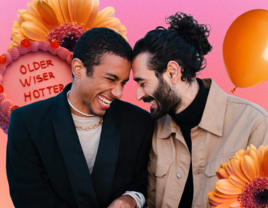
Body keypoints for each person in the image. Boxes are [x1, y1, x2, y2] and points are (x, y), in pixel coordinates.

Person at [132, 12, 268, 208]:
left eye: (143, 83)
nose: (137, 95)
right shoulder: (155, 128)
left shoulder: (254, 124)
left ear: (172, 72)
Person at [6, 28, 153, 208]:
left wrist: (131, 199)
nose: (119, 93)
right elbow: (29, 197)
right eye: (110, 79)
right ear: (78, 69)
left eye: (122, 83)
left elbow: (141, 185)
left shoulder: (140, 123)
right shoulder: (26, 122)